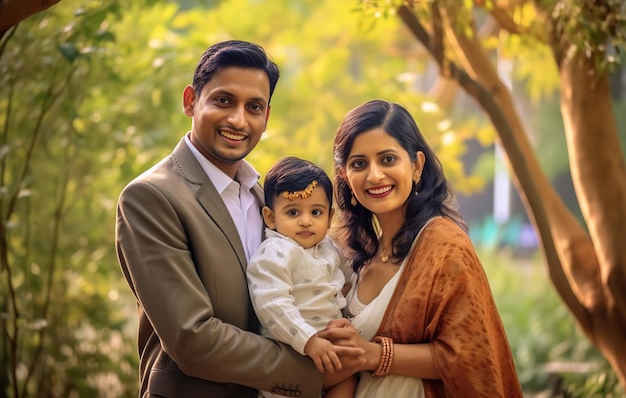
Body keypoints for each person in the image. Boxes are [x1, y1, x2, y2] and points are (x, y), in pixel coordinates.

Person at [115, 40, 362, 398]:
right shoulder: (151, 198)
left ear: (267, 117)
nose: (238, 119)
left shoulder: (266, 199)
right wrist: (319, 369)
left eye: (254, 107)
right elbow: (192, 339)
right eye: (223, 100)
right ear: (190, 101)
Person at [318, 99, 524, 397]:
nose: (375, 175)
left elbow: (470, 355)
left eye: (387, 159)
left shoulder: (444, 246)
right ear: (345, 177)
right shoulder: (349, 256)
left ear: (416, 166)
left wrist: (375, 355)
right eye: (359, 164)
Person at [247, 156, 357, 398]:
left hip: (328, 350)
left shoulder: (329, 247)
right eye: (293, 212)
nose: (305, 221)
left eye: (316, 212)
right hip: (291, 353)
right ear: (271, 217)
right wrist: (308, 341)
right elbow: (272, 304)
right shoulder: (275, 253)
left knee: (349, 379)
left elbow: (353, 277)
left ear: (329, 217)